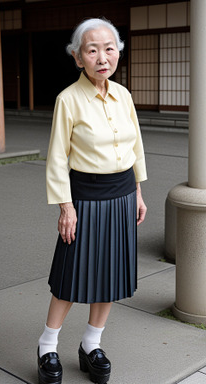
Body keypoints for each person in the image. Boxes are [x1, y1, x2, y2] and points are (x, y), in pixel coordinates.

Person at [37, 17, 147, 384]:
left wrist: (139, 192)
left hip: (122, 195)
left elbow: (135, 147)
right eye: (92, 49)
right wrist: (65, 207)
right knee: (70, 277)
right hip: (83, 198)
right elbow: (56, 158)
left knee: (112, 275)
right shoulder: (68, 100)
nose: (103, 56)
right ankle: (47, 345)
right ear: (78, 58)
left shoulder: (124, 95)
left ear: (118, 53)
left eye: (109, 48)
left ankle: (91, 344)